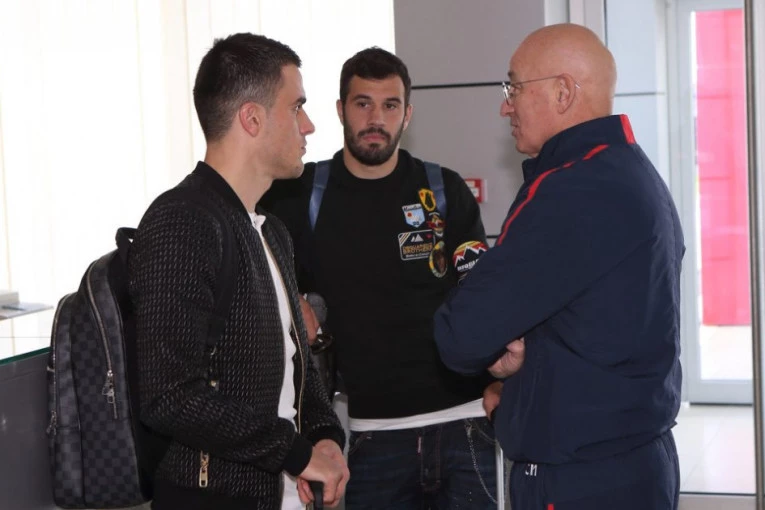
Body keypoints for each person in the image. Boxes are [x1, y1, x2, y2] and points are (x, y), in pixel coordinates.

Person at [433, 23, 683, 510]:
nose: (505, 106)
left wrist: (504, 355)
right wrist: (529, 368)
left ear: (563, 92)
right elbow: (599, 323)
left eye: (513, 88)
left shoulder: (571, 188)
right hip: (632, 460)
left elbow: (461, 334)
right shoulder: (630, 170)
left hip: (582, 479)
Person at [262, 47, 499, 509]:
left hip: (466, 426)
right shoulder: (300, 195)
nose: (376, 119)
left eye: (390, 105)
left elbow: (482, 297)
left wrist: (503, 379)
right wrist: (292, 299)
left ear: (407, 114)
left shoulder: (444, 190)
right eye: (362, 103)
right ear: (340, 110)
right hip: (371, 436)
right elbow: (254, 261)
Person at [128, 33, 349, 510]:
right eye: (297, 107)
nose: (309, 125)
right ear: (252, 119)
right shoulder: (182, 222)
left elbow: (298, 371)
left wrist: (325, 437)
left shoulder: (271, 231)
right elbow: (170, 395)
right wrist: (294, 453)